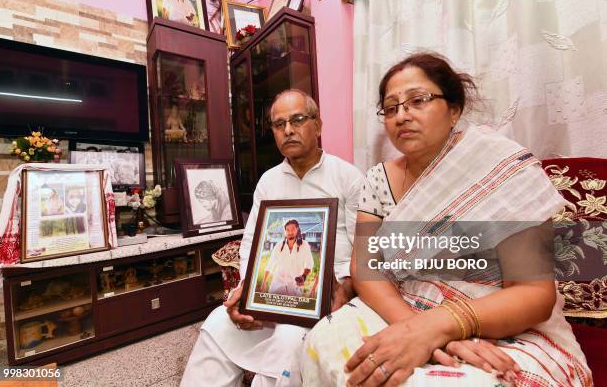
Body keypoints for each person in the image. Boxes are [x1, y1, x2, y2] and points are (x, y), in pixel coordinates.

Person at [300, 53, 592, 386]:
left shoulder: (499, 168)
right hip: (405, 306)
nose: (402, 115)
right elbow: (364, 269)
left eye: (417, 100)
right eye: (391, 107)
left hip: (501, 321)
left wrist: (442, 325)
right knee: (324, 340)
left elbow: (533, 293)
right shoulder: (377, 180)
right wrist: (417, 329)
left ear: (454, 109)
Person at [181, 89, 364, 386]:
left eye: (298, 120)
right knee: (218, 321)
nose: (288, 130)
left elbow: (365, 250)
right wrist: (246, 289)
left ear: (317, 125)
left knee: (290, 339)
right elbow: (251, 244)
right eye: (279, 125)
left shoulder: (348, 177)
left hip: (327, 297)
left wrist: (345, 286)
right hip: (271, 295)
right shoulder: (269, 181)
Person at [259, 219, 314, 297]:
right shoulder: (279, 246)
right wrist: (264, 283)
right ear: (285, 231)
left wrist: (303, 276)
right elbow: (270, 264)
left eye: (293, 229)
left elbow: (309, 264)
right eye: (288, 230)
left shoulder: (304, 245)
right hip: (276, 287)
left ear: (297, 229)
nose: (290, 232)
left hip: (294, 288)